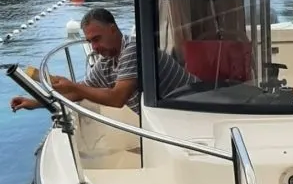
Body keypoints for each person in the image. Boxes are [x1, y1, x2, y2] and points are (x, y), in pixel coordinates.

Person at [10, 7, 196, 113]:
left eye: (97, 39)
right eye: (90, 41)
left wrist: (73, 86)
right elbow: (79, 93)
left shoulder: (133, 49)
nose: (94, 47)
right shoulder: (107, 61)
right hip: (171, 114)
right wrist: (35, 103)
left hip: (196, 106)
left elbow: (117, 99)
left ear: (113, 29)